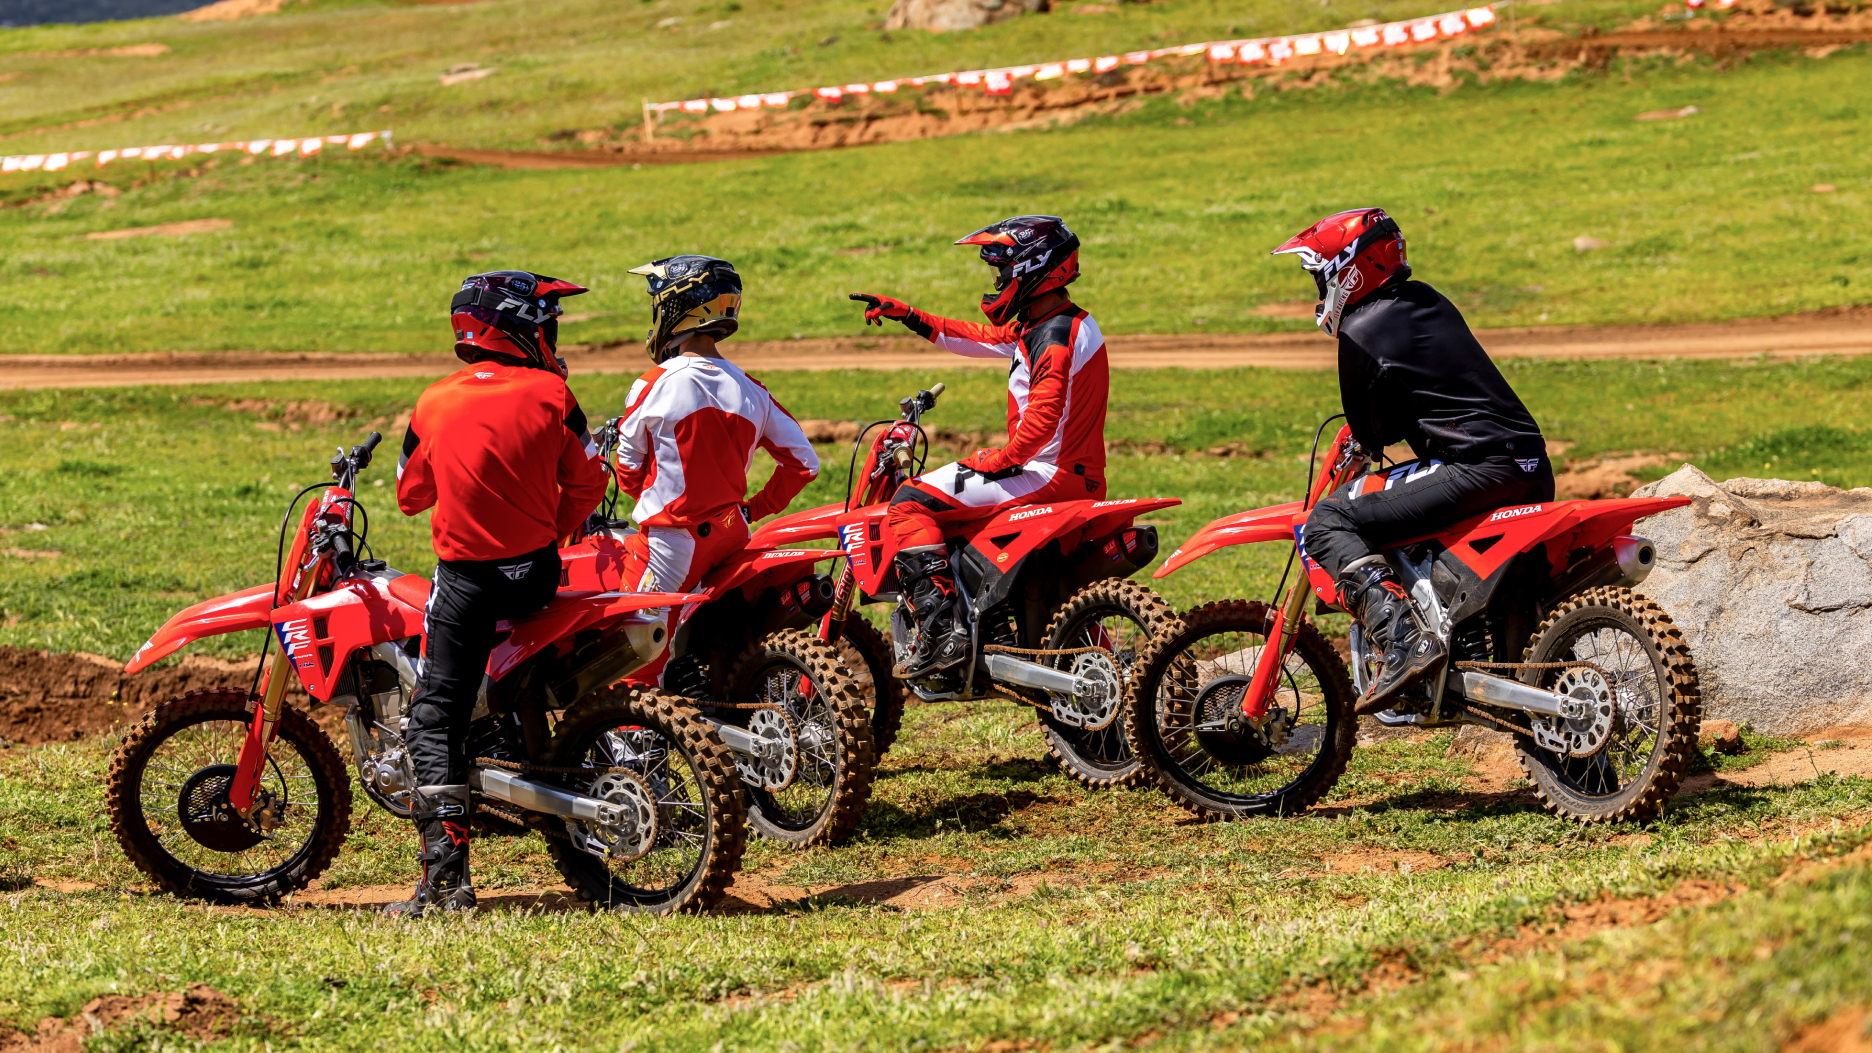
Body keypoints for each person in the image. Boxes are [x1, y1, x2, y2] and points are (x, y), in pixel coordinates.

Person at [389, 270, 612, 917]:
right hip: (539, 572)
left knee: (434, 715)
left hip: (468, 583)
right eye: (547, 322)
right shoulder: (554, 394)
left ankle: (444, 884)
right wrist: (551, 521)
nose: (550, 333)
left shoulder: (434, 402)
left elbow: (410, 497)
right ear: (514, 326)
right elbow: (591, 481)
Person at [1279, 208, 1554, 709]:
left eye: (1320, 276)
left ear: (1350, 269)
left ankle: (1407, 642)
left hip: (1476, 468)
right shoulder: (1426, 299)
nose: (1319, 290)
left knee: (1329, 519)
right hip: (1528, 465)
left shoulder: (1362, 327)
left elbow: (1371, 431)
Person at [850, 215, 1109, 679]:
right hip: (1071, 472)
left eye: (1001, 272)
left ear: (1033, 269)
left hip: (1047, 473)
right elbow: (982, 338)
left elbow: (1043, 420)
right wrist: (910, 315)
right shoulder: (1056, 323)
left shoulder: (1052, 338)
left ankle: (942, 632)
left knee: (908, 503)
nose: (996, 282)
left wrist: (1002, 459)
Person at [611, 255, 820, 685]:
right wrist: (753, 509)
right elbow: (805, 463)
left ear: (677, 308)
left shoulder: (654, 382)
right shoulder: (751, 388)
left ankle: (633, 745)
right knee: (721, 635)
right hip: (730, 534)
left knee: (628, 650)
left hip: (672, 540)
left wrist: (640, 490)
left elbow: (627, 466)